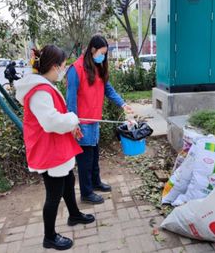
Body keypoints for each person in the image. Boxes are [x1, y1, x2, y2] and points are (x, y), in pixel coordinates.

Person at [15, 45, 95, 251]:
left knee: (68, 179)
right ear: (53, 66)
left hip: (56, 145)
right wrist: (72, 118)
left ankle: (74, 215)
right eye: (63, 66)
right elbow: (51, 122)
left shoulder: (44, 85)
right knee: (54, 194)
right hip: (48, 149)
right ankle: (49, 237)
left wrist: (71, 125)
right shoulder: (39, 91)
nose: (64, 69)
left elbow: (56, 117)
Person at [66, 35, 134, 204]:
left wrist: (123, 104)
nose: (103, 57)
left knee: (94, 156)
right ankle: (86, 193)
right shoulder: (76, 69)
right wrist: (73, 123)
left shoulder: (98, 67)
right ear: (92, 50)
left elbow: (108, 90)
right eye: (101, 53)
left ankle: (95, 183)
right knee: (85, 160)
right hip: (82, 123)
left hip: (95, 121)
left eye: (105, 54)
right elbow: (71, 99)